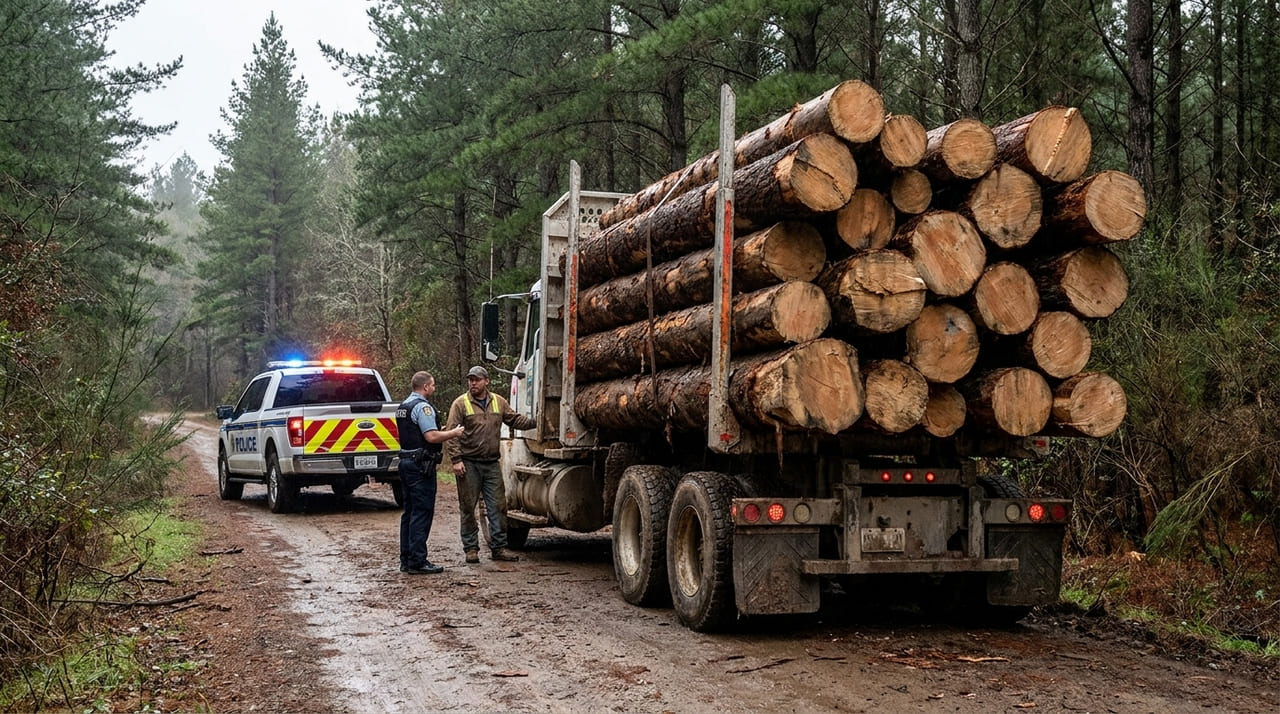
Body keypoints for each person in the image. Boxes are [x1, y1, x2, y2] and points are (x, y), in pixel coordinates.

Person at [443, 365, 536, 563]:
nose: (473, 383)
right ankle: (471, 549)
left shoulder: (498, 402)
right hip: (469, 464)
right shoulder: (460, 404)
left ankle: (499, 548)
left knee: (498, 507)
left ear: (486, 381)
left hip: (491, 464)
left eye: (476, 379)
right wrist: (456, 460)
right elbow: (451, 434)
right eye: (470, 380)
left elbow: (514, 420)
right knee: (468, 507)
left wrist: (535, 421)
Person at [396, 371, 464, 574]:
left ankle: (406, 559)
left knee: (408, 513)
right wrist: (454, 432)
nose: (434, 388)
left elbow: (416, 433)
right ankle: (418, 561)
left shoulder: (403, 407)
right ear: (425, 387)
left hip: (406, 463)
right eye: (433, 385)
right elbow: (432, 436)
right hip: (420, 467)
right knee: (422, 512)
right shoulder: (423, 407)